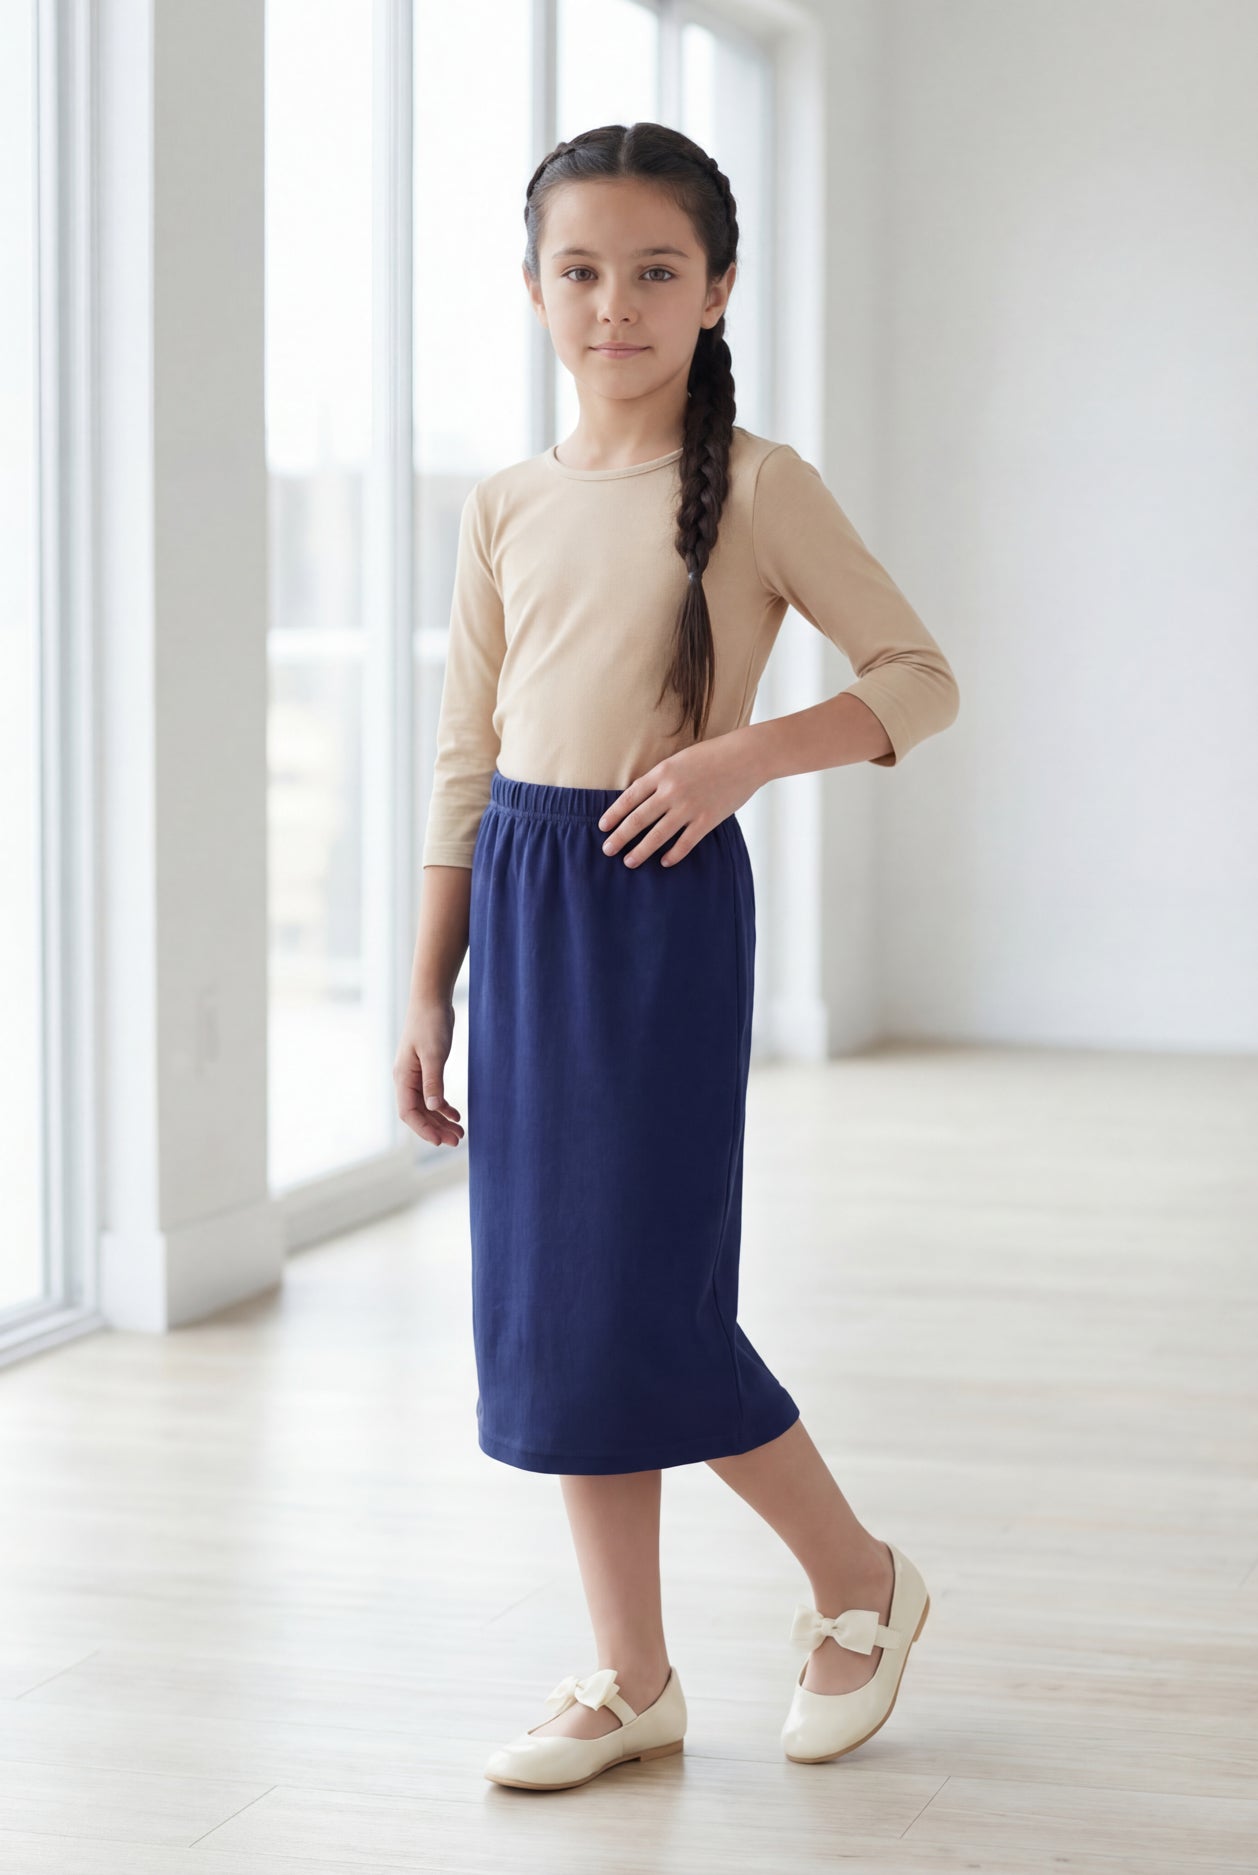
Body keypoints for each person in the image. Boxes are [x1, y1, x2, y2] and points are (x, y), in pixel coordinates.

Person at [395, 122, 960, 1793]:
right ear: (531, 290)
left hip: (659, 914)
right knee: (556, 1311)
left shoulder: (765, 486)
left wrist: (741, 759)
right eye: (579, 270)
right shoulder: (505, 502)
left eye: (655, 271)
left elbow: (919, 678)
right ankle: (631, 1677)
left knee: (641, 1299)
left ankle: (857, 1577)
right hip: (524, 899)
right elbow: (461, 755)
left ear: (717, 289)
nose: (614, 305)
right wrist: (431, 980)